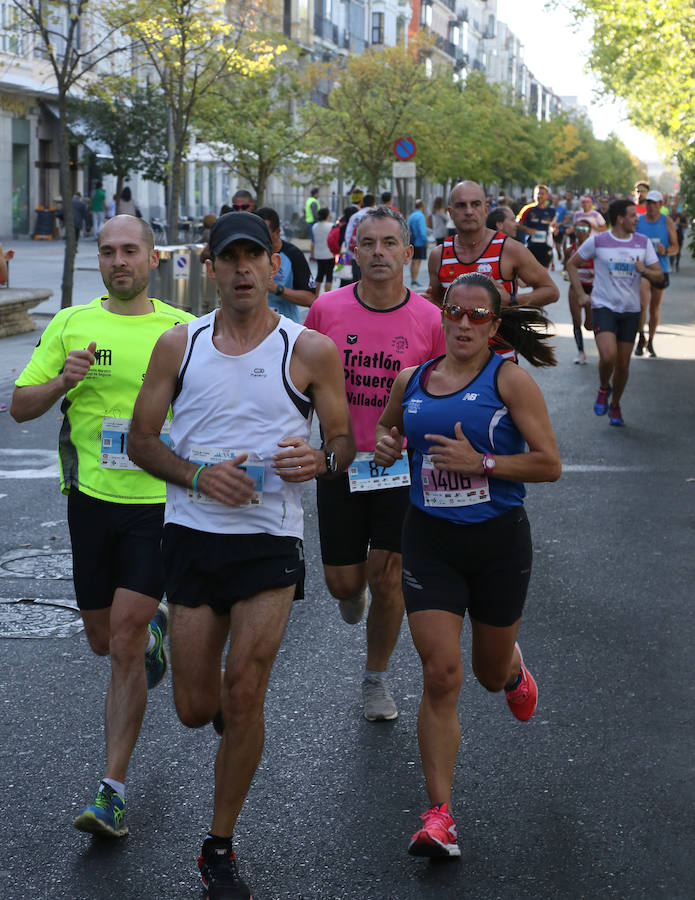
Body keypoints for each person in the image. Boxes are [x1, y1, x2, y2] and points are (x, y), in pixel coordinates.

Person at [127, 210, 355, 900]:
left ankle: (218, 846)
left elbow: (343, 442)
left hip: (269, 539)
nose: (245, 269)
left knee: (246, 685)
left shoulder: (308, 349)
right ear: (210, 266)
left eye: (256, 256)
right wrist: (197, 475)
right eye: (231, 259)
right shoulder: (179, 345)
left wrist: (320, 458)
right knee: (197, 707)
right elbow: (141, 442)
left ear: (275, 259)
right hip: (194, 536)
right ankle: (227, 716)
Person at [10, 215, 195, 837]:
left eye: (130, 251)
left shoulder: (182, 330)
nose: (119, 261)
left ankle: (111, 790)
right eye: (109, 252)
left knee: (119, 642)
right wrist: (64, 380)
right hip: (89, 500)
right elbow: (20, 406)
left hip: (158, 503)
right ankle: (152, 638)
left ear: (153, 257)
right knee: (100, 638)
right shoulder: (71, 324)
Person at [373, 271, 561, 859]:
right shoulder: (413, 380)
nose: (462, 323)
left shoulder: (510, 381)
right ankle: (439, 816)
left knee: (484, 670)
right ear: (443, 314)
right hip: (430, 538)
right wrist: (384, 443)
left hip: (499, 542)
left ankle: (509, 671)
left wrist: (481, 463)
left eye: (477, 316)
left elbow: (548, 464)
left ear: (494, 328)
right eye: (454, 311)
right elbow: (386, 430)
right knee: (441, 673)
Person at [304, 205, 446, 722]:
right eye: (369, 243)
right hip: (340, 462)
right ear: (353, 250)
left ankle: (376, 678)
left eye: (390, 243)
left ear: (409, 253)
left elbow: (441, 395)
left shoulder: (432, 320)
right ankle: (351, 592)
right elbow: (302, 386)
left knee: (389, 576)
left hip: (400, 468)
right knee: (345, 584)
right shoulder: (326, 311)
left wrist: (406, 436)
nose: (379, 252)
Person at [427, 181, 559, 359]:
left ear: (486, 209)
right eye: (461, 205)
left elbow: (551, 291)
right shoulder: (439, 256)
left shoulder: (509, 249)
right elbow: (436, 304)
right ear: (451, 212)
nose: (468, 211)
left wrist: (513, 300)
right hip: (452, 360)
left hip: (500, 361)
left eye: (475, 204)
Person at [566, 198, 663, 426]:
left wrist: (645, 271)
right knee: (608, 356)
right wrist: (581, 294)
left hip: (631, 310)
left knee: (622, 364)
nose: (636, 219)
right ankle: (602, 387)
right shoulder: (598, 241)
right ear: (620, 219)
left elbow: (660, 276)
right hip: (603, 306)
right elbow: (571, 264)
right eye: (632, 215)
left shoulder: (642, 242)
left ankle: (616, 403)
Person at [634, 189, 679, 357]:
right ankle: (640, 337)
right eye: (648, 203)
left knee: (654, 309)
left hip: (660, 270)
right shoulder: (639, 221)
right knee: (642, 305)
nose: (651, 206)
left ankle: (651, 341)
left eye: (654, 203)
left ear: (661, 205)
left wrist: (666, 250)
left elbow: (676, 247)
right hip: (643, 270)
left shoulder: (666, 221)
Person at [255, 206, 316, 322]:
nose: (260, 237)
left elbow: (310, 299)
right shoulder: (247, 255)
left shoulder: (293, 255)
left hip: (284, 329)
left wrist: (278, 289)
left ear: (277, 232)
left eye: (265, 233)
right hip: (252, 330)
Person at [564, 219, 595, 364]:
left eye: (584, 228)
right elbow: (567, 268)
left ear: (589, 231)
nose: (581, 231)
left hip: (592, 288)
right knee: (576, 321)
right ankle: (581, 353)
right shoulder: (570, 249)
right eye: (578, 228)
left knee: (589, 325)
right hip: (575, 289)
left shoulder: (596, 249)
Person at [515, 184, 556, 269]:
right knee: (530, 271)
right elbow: (517, 224)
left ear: (547, 196)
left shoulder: (551, 211)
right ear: (533, 195)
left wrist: (554, 229)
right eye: (537, 193)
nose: (539, 196)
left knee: (544, 272)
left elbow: (553, 225)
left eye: (542, 193)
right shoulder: (527, 209)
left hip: (545, 245)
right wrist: (527, 229)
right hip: (531, 245)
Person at [312, 206, 335, 295]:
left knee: (319, 275)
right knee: (329, 276)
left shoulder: (315, 226)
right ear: (327, 215)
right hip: (329, 254)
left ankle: (315, 296)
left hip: (319, 254)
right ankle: (327, 296)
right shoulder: (331, 226)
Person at [407, 199, 428, 287]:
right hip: (419, 241)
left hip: (412, 241)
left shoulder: (411, 216)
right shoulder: (420, 216)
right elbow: (422, 231)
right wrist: (425, 241)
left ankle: (413, 280)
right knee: (417, 261)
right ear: (422, 206)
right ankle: (414, 281)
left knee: (413, 261)